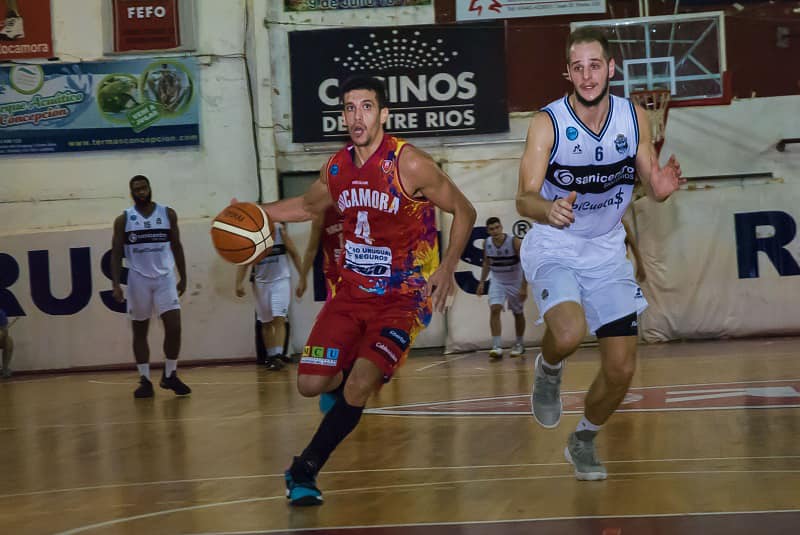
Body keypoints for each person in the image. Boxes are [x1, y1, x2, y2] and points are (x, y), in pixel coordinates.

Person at [252, 75, 476, 506]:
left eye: (367, 107)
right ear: (343, 116)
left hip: (401, 299)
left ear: (384, 114)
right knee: (309, 383)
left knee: (360, 385)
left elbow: (464, 209)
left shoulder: (409, 164)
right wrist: (254, 211)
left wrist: (448, 266)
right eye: (350, 108)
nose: (358, 116)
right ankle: (341, 381)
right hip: (352, 295)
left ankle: (305, 469)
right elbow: (306, 206)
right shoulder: (336, 168)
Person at [516, 27, 684, 481]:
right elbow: (523, 198)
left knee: (622, 368)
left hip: (607, 249)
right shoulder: (547, 123)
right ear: (567, 73)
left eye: (595, 66)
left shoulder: (633, 118)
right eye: (578, 67)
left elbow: (650, 180)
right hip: (556, 243)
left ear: (611, 68)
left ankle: (583, 439)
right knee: (569, 333)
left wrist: (661, 187)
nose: (587, 76)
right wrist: (547, 208)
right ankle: (549, 368)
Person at [111, 175, 190, 398]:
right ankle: (144, 380)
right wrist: (115, 283)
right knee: (140, 330)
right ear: (131, 193)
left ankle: (170, 374)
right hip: (138, 279)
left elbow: (177, 246)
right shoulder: (124, 219)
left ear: (150, 188)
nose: (141, 192)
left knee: (174, 326)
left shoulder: (167, 213)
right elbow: (116, 253)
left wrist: (183, 276)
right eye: (137, 189)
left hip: (165, 278)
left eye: (144, 188)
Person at [236, 223, 302, 370]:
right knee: (265, 321)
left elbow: (295, 254)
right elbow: (244, 261)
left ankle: (278, 355)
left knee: (279, 318)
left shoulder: (278, 230)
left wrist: (302, 278)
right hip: (260, 282)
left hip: (281, 279)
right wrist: (238, 282)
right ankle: (271, 357)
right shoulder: (250, 234)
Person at [476, 217, 527, 359]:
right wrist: (481, 282)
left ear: (502, 227)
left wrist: (524, 286)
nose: (495, 231)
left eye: (497, 227)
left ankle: (519, 344)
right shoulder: (487, 243)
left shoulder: (514, 241)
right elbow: (487, 263)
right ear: (488, 231)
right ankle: (497, 346)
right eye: (492, 229)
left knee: (518, 313)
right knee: (495, 309)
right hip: (497, 280)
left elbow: (525, 264)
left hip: (515, 281)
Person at [295, 205, 344, 303]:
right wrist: (302, 278)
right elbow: (312, 249)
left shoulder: (357, 208)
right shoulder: (321, 213)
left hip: (357, 271)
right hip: (334, 274)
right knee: (337, 308)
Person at [0, 308, 14, 378]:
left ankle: (4, 369)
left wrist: (1, 334)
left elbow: (5, 332)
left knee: (9, 342)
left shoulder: (1, 313)